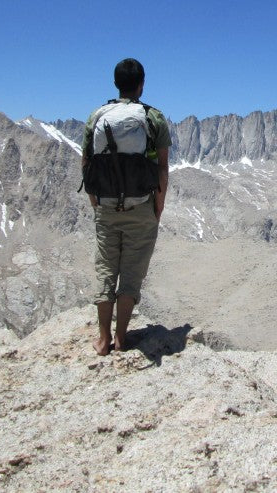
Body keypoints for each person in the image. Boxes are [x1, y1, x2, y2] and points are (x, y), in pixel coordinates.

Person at [80, 58, 170, 356]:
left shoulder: (97, 117)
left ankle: (103, 339)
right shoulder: (153, 117)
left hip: (105, 207)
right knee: (131, 275)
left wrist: (97, 204)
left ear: (116, 84)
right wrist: (157, 208)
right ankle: (121, 338)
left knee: (106, 270)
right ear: (141, 84)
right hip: (141, 207)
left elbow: (86, 164)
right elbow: (162, 167)